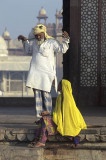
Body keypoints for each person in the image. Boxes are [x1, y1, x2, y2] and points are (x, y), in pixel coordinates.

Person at [18, 24, 70, 120]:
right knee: (37, 96)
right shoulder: (33, 43)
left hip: (46, 73)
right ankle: (39, 118)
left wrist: (66, 40)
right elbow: (28, 51)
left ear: (44, 33)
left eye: (40, 35)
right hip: (35, 73)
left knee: (46, 95)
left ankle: (48, 116)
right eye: (36, 35)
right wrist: (24, 41)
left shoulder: (51, 43)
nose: (38, 37)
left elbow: (62, 49)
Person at [29, 79, 87, 148]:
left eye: (59, 84)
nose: (58, 86)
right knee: (43, 119)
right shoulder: (59, 97)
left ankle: (42, 141)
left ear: (63, 86)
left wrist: (50, 116)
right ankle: (37, 140)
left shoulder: (67, 100)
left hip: (64, 124)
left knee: (45, 120)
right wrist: (48, 113)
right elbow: (58, 113)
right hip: (59, 120)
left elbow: (65, 116)